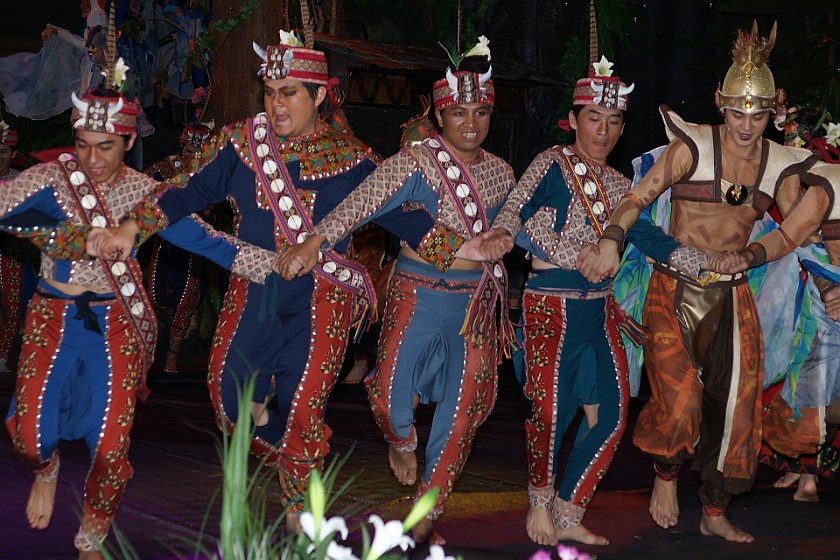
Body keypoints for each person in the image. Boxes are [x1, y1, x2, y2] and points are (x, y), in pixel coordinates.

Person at [88, 29, 445, 533]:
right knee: (227, 403)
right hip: (254, 292)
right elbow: (183, 192)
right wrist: (131, 226)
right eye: (270, 92)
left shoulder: (354, 160)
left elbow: (409, 221)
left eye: (290, 93)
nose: (276, 105)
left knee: (303, 408)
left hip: (322, 299)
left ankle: (302, 507)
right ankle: (294, 456)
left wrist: (472, 252)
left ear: (320, 95)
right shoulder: (238, 145)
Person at [0, 49, 272, 557]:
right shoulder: (51, 179)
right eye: (82, 145)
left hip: (116, 326)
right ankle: (48, 468)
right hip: (51, 320)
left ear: (129, 140)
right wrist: (73, 239)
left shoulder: (147, 196)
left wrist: (278, 264)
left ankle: (93, 534)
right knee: (30, 439)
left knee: (110, 447)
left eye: (106, 147)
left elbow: (212, 242)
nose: (92, 160)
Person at [576, 22, 826, 543]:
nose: (747, 125)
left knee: (736, 405)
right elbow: (636, 199)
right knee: (681, 398)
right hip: (672, 288)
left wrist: (758, 255)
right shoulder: (692, 146)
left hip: (732, 297)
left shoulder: (780, 165)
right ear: (720, 103)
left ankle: (714, 510)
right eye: (738, 112)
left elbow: (798, 235)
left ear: (772, 110)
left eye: (758, 115)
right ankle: (665, 476)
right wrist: (611, 239)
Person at [275, 37, 516, 544]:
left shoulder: (501, 173)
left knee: (463, 410)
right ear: (438, 117)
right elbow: (360, 204)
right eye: (458, 114)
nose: (470, 123)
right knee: (386, 397)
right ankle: (400, 439)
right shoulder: (414, 163)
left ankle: (429, 507)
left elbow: (511, 227)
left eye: (480, 112)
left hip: (474, 307)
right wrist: (315, 241)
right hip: (416, 294)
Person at [482, 49, 710, 546]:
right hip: (551, 307)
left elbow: (648, 237)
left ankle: (569, 508)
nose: (602, 131)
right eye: (593, 119)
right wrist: (563, 250)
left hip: (599, 311)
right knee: (549, 412)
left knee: (610, 417)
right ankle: (538, 503)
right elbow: (514, 213)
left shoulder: (623, 185)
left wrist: (705, 262)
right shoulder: (552, 162)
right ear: (572, 120)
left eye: (613, 121)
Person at [145, 123, 214, 371]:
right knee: (152, 294)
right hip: (166, 241)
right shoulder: (168, 166)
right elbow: (144, 186)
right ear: (182, 147)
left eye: (198, 152)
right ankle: (147, 352)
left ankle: (172, 358)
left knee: (186, 298)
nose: (192, 156)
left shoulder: (211, 173)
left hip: (195, 245)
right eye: (188, 151)